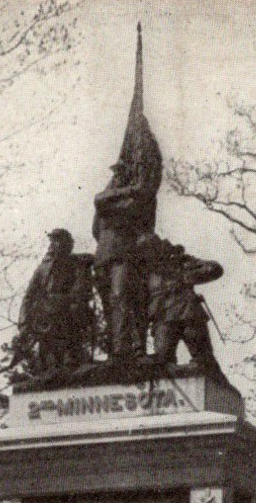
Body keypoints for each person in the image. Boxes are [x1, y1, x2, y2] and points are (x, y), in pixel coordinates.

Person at [92, 159, 156, 359]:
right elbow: (98, 206)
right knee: (108, 303)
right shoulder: (109, 200)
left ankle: (127, 348)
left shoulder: (132, 203)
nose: (115, 179)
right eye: (114, 175)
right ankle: (115, 347)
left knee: (122, 297)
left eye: (120, 175)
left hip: (124, 255)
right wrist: (128, 190)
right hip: (104, 256)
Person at [137, 232, 224, 378]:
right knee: (162, 361)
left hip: (188, 314)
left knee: (204, 361)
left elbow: (215, 268)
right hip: (163, 319)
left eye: (151, 249)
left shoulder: (181, 261)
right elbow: (141, 305)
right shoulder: (145, 274)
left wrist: (187, 277)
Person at [17, 229, 78, 373]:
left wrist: (62, 301)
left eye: (58, 240)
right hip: (45, 319)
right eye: (52, 241)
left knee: (67, 362)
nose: (53, 244)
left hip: (66, 316)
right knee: (46, 362)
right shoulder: (42, 268)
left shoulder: (75, 264)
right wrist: (24, 323)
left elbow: (79, 291)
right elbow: (28, 297)